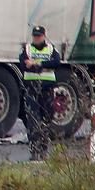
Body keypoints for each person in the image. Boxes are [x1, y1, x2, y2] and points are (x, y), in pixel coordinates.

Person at [19, 25, 62, 160]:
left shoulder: (51, 49)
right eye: (34, 36)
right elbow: (23, 64)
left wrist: (38, 64)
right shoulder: (27, 49)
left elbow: (56, 63)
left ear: (44, 36)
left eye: (39, 36)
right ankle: (34, 149)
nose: (36, 38)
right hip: (31, 88)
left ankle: (43, 148)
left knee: (46, 119)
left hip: (47, 90)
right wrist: (39, 66)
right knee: (32, 120)